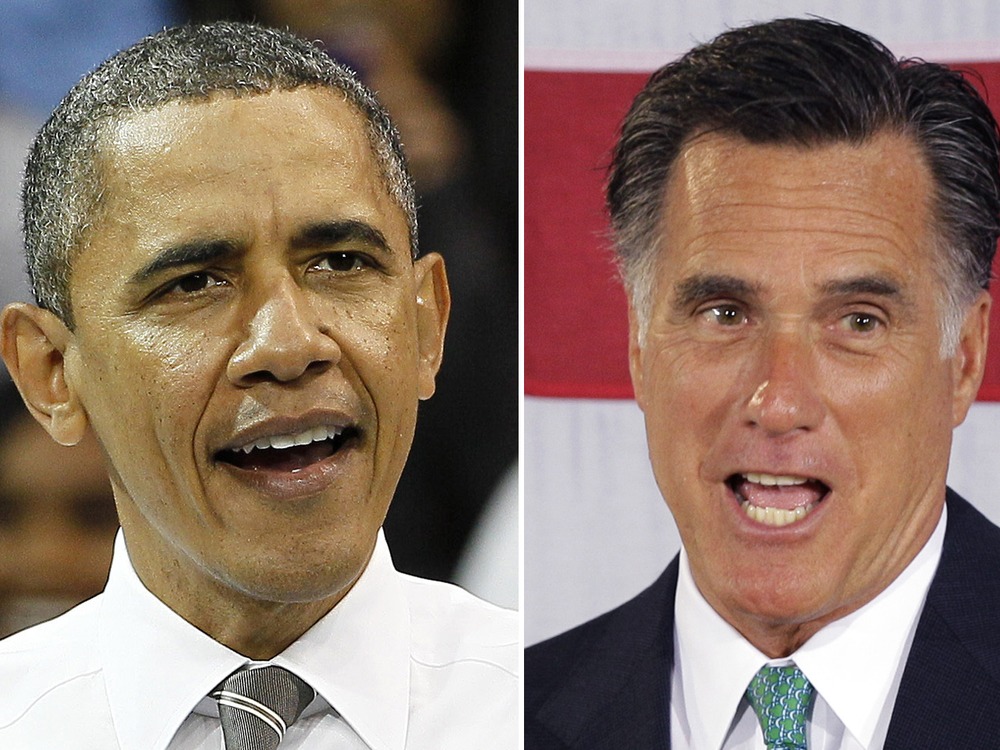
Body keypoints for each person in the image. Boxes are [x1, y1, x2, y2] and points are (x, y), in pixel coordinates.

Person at [0, 21, 517, 748]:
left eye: (340, 262)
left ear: (427, 325)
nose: (289, 345)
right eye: (194, 282)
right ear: (50, 372)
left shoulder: (584, 715)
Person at [525, 17, 1000, 749]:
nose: (778, 402)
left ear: (964, 358)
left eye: (859, 323)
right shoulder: (509, 713)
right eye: (725, 313)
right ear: (640, 347)